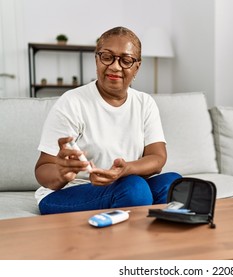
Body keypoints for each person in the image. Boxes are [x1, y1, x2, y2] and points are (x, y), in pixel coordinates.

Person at [34, 26, 181, 214]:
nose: (115, 66)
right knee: (134, 188)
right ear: (96, 59)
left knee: (173, 183)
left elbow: (157, 158)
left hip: (122, 185)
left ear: (137, 66)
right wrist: (63, 174)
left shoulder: (145, 103)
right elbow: (43, 169)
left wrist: (125, 169)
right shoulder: (72, 102)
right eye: (106, 57)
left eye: (126, 60)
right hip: (67, 193)